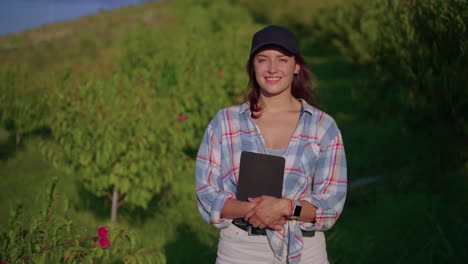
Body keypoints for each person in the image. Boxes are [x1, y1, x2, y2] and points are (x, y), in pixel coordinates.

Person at [196, 25, 347, 264]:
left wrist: (287, 207)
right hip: (240, 250)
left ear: (296, 66)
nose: (272, 68)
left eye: (282, 59)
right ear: (253, 66)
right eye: (262, 59)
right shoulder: (225, 122)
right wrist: (253, 211)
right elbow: (206, 193)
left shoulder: (323, 126)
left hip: (304, 250)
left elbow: (330, 204)